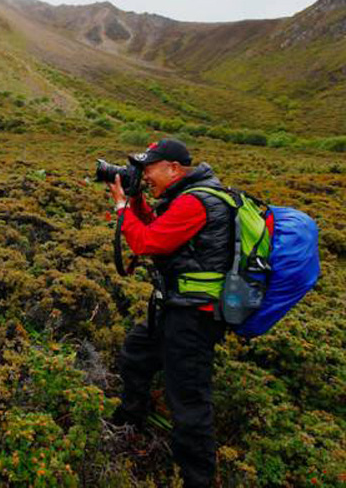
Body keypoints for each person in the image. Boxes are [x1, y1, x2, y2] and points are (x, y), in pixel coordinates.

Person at [108, 138, 229, 488]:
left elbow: (147, 242)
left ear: (174, 168)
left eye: (149, 169)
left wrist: (121, 210)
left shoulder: (196, 202)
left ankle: (198, 478)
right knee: (136, 352)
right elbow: (158, 226)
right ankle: (131, 417)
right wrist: (135, 199)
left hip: (194, 315)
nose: (145, 176)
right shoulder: (185, 196)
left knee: (188, 399)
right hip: (175, 306)